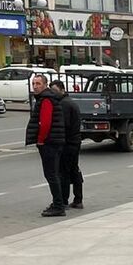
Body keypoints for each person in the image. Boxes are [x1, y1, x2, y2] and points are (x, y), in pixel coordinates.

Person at [25, 72, 66, 217]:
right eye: (33, 84)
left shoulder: (46, 99)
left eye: (38, 84)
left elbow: (46, 123)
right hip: (54, 141)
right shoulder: (47, 98)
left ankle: (58, 206)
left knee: (51, 174)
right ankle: (58, 202)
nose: (35, 87)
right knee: (53, 173)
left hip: (50, 142)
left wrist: (41, 140)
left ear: (45, 85)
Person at [51, 80, 84, 211]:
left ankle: (64, 200)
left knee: (64, 172)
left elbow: (64, 125)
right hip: (75, 142)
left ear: (61, 89)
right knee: (74, 170)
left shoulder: (64, 104)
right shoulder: (70, 102)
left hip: (68, 143)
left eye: (54, 91)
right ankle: (78, 199)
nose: (53, 94)